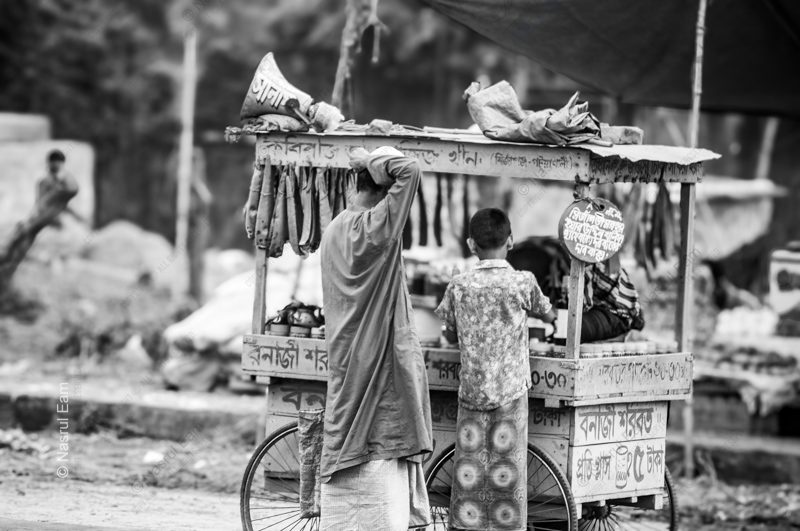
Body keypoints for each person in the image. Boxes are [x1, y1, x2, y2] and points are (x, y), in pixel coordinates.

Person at [318, 146, 433, 531]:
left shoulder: (334, 228)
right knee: (381, 449)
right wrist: (376, 159)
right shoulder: (376, 228)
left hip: (346, 361)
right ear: (386, 190)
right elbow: (411, 169)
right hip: (378, 365)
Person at [435, 208, 556, 531]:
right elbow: (548, 314)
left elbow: (447, 328)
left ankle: (465, 525)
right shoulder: (523, 282)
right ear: (511, 241)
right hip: (511, 390)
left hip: (472, 391)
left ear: (471, 244)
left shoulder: (459, 285)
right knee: (507, 466)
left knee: (470, 467)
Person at [581, 258, 645, 342]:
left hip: (619, 313)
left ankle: (622, 334)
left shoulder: (586, 262)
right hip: (599, 306)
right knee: (564, 327)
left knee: (570, 329)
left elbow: (583, 305)